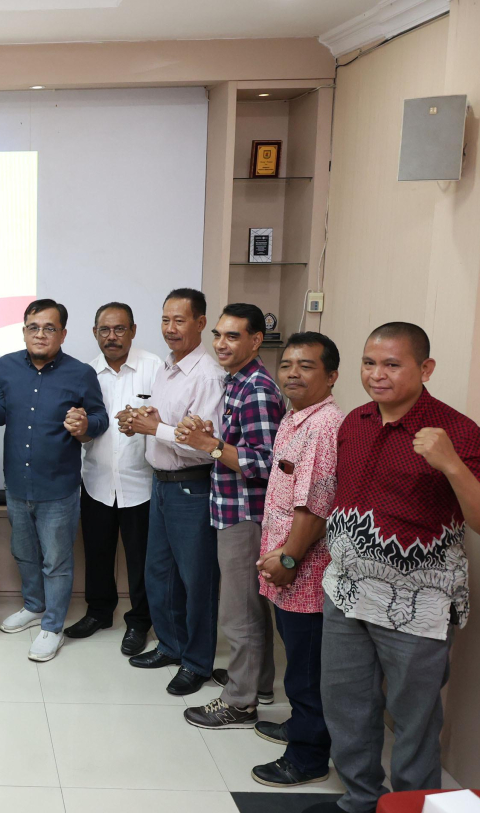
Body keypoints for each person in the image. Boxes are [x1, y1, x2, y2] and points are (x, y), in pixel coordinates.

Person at [304, 323, 480, 813]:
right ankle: (360, 800)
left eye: (392, 365)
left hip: (418, 607)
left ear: (425, 368)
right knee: (346, 706)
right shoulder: (354, 422)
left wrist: (451, 464)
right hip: (347, 593)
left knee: (414, 720)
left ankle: (413, 805)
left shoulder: (458, 433)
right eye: (369, 363)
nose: (377, 375)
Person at [0, 299, 108, 662]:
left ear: (63, 333)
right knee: (24, 553)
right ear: (24, 331)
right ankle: (34, 605)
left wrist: (86, 423)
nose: (41, 334)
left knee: (56, 561)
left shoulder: (80, 373)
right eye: (34, 327)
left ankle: (53, 626)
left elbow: (100, 418)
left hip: (59, 487)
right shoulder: (7, 365)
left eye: (49, 328)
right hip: (17, 483)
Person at [174, 303, 283, 729]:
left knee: (239, 613)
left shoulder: (257, 388)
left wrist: (212, 445)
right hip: (231, 507)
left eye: (232, 336)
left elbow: (265, 463)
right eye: (218, 334)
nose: (221, 343)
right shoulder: (236, 381)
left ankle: (240, 701)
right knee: (247, 607)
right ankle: (258, 684)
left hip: (245, 513)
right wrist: (211, 438)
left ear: (256, 341)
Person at [246, 333, 342, 787]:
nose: (292, 373)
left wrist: (288, 558)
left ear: (331, 375)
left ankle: (307, 756)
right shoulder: (295, 417)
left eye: (306, 366)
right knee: (298, 658)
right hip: (286, 563)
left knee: (306, 670)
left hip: (304, 569)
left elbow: (316, 507)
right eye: (286, 365)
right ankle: (300, 727)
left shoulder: (324, 427)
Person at [119, 288, 225, 696]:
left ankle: (197, 662)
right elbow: (168, 424)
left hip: (191, 487)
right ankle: (171, 645)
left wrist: (156, 428)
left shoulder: (207, 375)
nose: (170, 328)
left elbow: (204, 444)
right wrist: (143, 420)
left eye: (180, 320)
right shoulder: (167, 367)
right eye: (165, 320)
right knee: (160, 573)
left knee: (197, 581)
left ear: (201, 323)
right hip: (161, 484)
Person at [64, 302, 160, 656]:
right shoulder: (85, 373)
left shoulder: (154, 368)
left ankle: (139, 621)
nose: (112, 337)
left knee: (141, 560)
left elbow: (167, 421)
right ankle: (99, 613)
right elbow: (84, 427)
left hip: (142, 483)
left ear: (133, 330)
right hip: (97, 480)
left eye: (119, 329)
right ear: (95, 333)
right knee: (97, 554)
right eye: (104, 330)